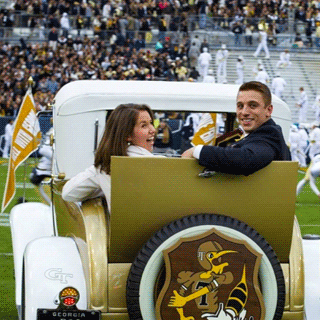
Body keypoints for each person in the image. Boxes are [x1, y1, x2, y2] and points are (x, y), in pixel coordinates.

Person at [181, 81, 291, 175]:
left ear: (269, 110)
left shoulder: (269, 134)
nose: (244, 112)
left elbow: (246, 159)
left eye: (253, 105)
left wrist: (197, 150)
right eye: (240, 106)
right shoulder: (259, 134)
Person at [62, 104, 158, 211]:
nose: (153, 129)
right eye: (144, 126)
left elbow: (69, 193)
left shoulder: (105, 167)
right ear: (127, 135)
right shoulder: (160, 164)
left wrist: (103, 188)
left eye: (151, 123)